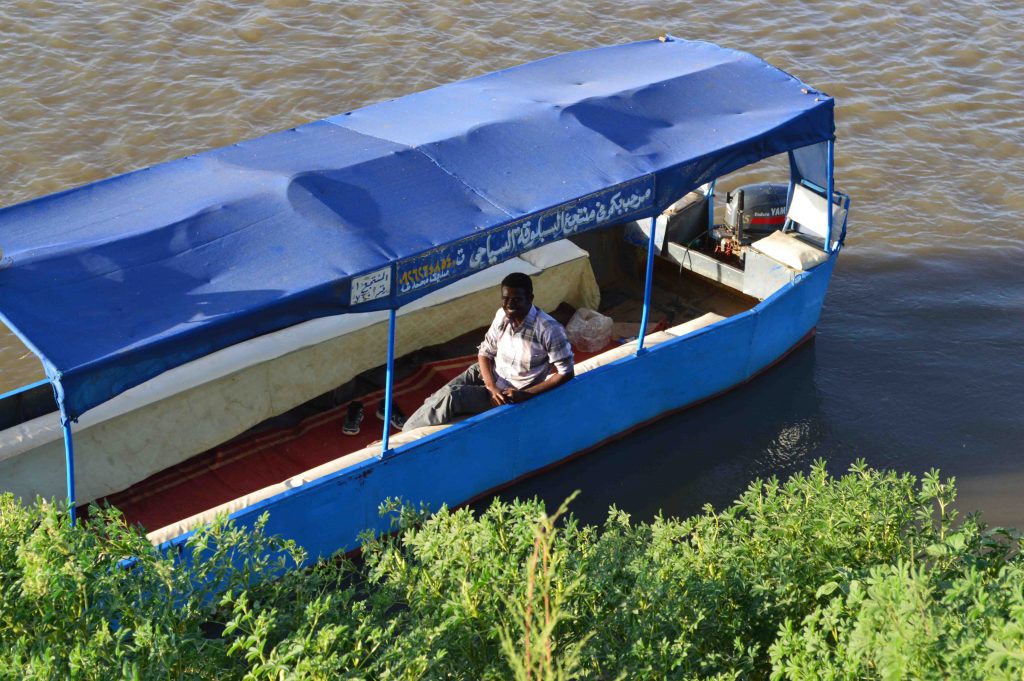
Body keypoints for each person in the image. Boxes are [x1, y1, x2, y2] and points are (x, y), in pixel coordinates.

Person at [402, 272, 574, 431]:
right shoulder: (502, 315)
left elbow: (566, 372)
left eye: (516, 299)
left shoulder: (549, 330)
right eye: (505, 299)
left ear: (530, 298)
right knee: (438, 395)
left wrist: (525, 394)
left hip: (509, 392)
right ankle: (413, 423)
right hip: (491, 376)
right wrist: (491, 386)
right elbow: (485, 353)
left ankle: (404, 436)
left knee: (450, 396)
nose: (509, 305)